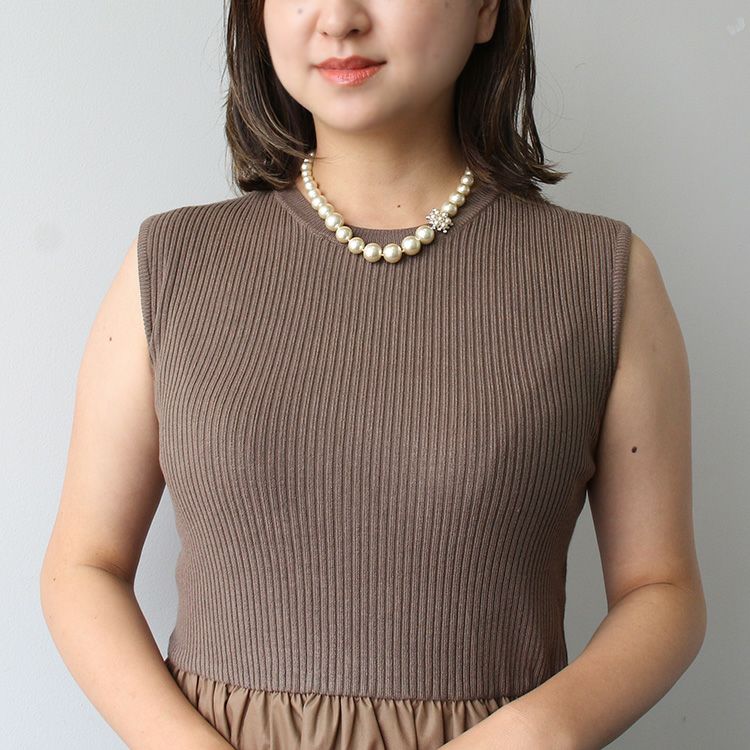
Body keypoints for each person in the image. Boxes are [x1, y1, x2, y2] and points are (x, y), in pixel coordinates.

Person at [40, 1, 707, 749]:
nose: (338, 19)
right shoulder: (171, 263)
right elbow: (83, 565)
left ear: (486, 10)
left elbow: (661, 589)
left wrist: (534, 733)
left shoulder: (601, 275)